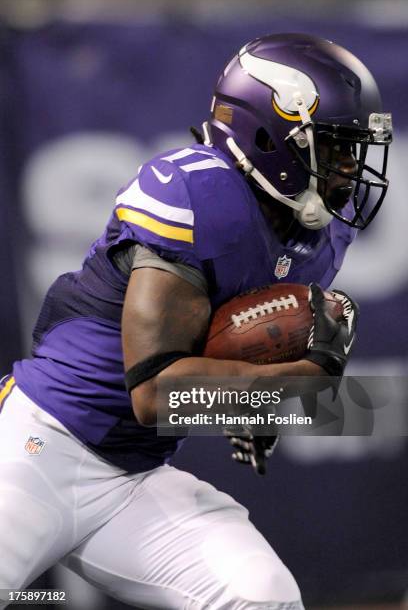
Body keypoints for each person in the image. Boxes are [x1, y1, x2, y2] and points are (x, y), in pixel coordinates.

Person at [0, 33, 392, 609]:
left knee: (261, 595)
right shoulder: (197, 193)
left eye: (355, 150)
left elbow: (239, 343)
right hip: (39, 448)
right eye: (335, 149)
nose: (351, 169)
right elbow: (156, 397)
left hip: (133, 477)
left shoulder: (323, 227)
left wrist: (264, 394)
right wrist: (297, 385)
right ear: (271, 138)